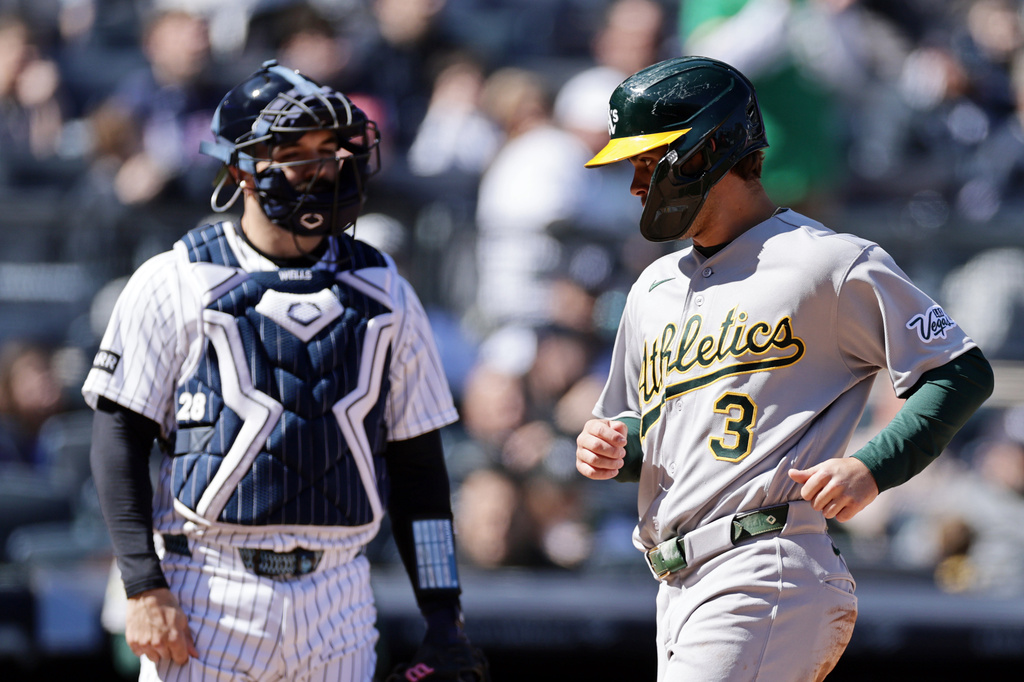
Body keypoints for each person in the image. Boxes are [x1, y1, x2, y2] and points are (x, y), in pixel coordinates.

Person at [574, 56, 994, 681]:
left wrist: (873, 467)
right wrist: (616, 447)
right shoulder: (653, 288)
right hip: (677, 580)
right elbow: (668, 436)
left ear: (707, 150)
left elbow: (959, 371)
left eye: (645, 160)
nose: (636, 183)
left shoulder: (824, 262)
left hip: (763, 562)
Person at [83, 60, 488, 682]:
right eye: (294, 151)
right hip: (208, 587)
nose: (321, 168)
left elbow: (419, 464)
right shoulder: (176, 278)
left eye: (330, 149)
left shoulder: (384, 288)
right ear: (237, 168)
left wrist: (443, 614)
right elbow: (119, 436)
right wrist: (143, 584)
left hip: (339, 593)